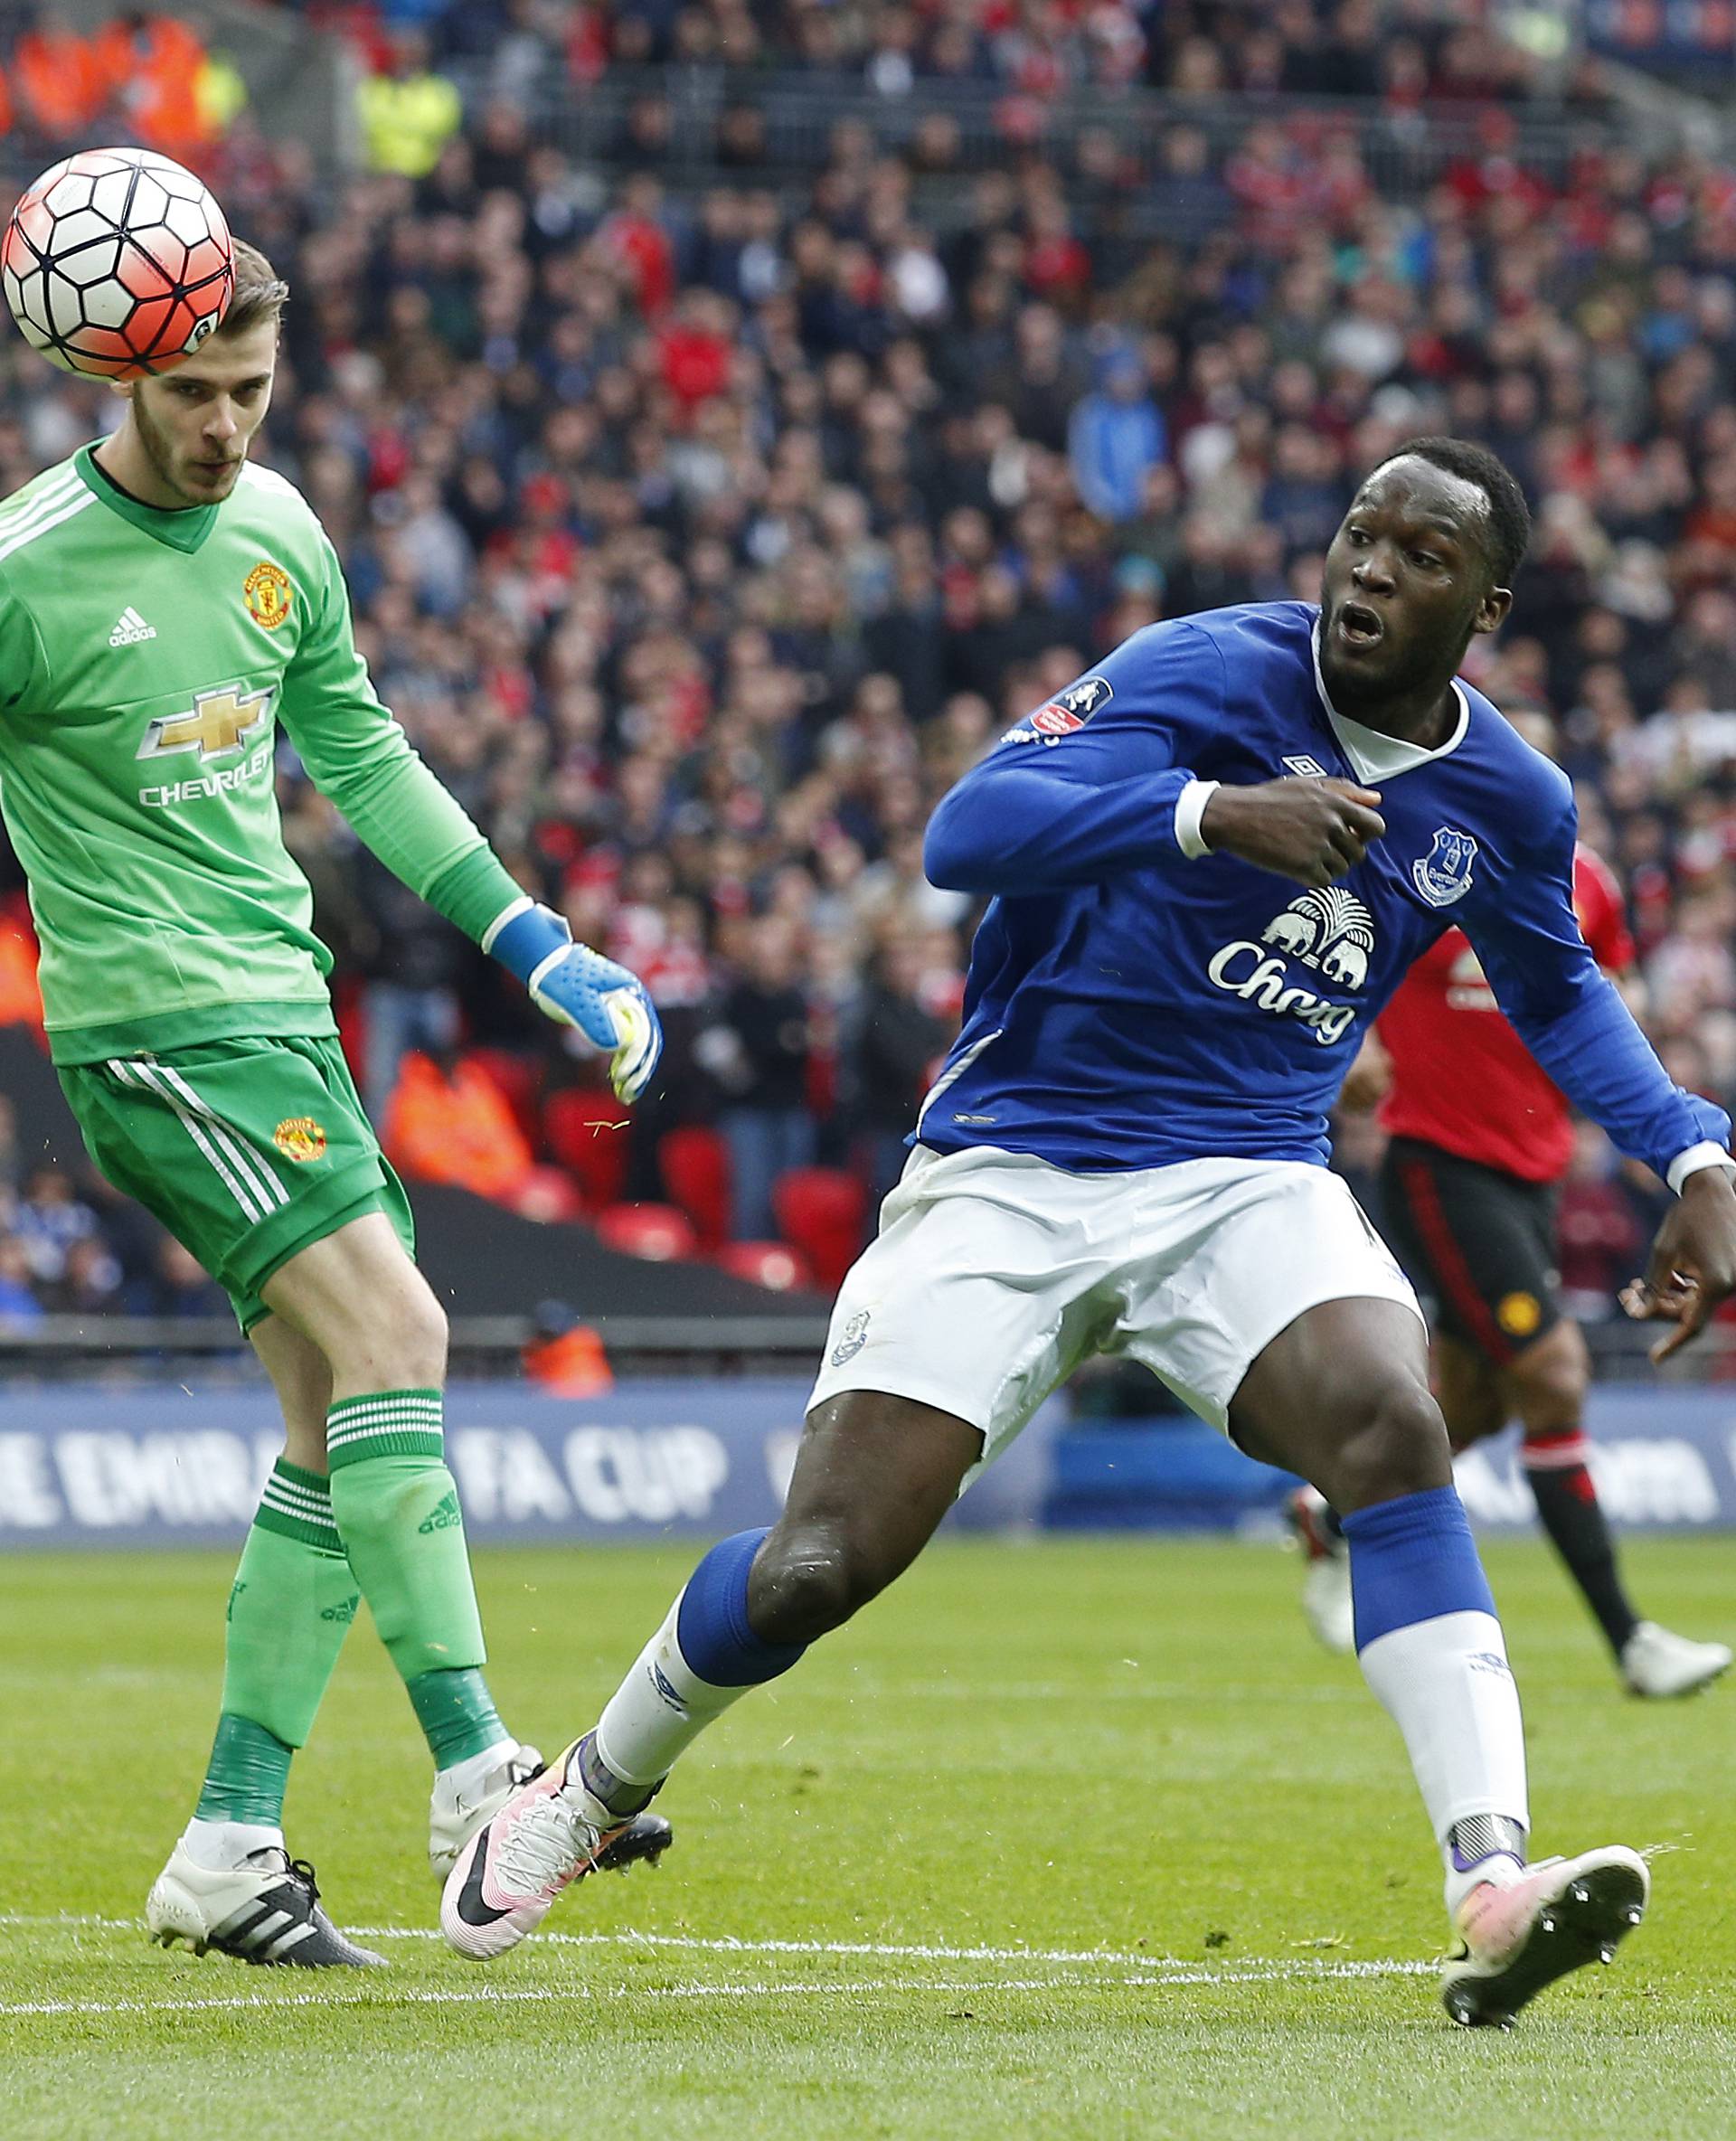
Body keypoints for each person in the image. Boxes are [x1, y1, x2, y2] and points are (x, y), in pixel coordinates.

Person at [439, 440, 1736, 2029]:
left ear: (1490, 603)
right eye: (1358, 537)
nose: (1372, 571)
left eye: (1420, 554)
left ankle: (1490, 1882)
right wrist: (1206, 815)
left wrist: (1689, 1144)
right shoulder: (1206, 667)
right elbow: (966, 829)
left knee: (1396, 1424)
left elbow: (1553, 989)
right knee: (819, 1563)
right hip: (1013, 1163)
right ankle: (587, 1782)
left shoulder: (1509, 799)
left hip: (1246, 1176)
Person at [0, 236, 669, 1967]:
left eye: (251, 389)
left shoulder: (285, 529)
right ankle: (479, 1779)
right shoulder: (27, 571)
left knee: (329, 1420)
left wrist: (539, 945)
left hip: (284, 1018)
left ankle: (230, 1840)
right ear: (113, 372)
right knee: (404, 1328)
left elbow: (358, 749)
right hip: (153, 1029)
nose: (227, 426)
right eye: (192, 393)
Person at [1291, 723, 1731, 1696]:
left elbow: (1593, 995)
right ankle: (1630, 1640)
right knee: (1558, 1373)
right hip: (1438, 1159)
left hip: (1534, 1170)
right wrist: (1349, 1045)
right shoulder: (1418, 862)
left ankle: (1329, 1516)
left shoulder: (1591, 884)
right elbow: (1340, 949)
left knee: (1480, 1404)